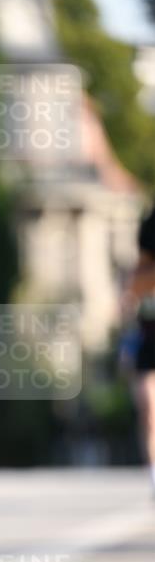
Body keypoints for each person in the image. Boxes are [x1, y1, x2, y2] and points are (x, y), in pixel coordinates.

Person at [123, 203, 155, 494]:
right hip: (149, 331)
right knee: (148, 407)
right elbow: (138, 279)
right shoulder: (151, 220)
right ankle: (153, 475)